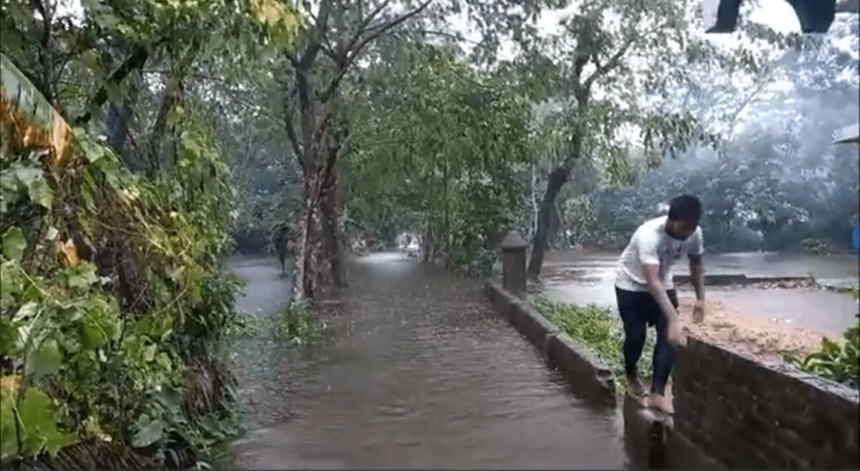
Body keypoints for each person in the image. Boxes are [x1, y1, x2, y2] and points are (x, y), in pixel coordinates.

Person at [614, 194, 706, 413]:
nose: (689, 233)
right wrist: (674, 317)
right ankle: (631, 373)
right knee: (636, 336)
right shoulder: (647, 235)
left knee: (668, 339)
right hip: (631, 285)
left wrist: (701, 298)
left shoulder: (696, 233)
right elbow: (651, 281)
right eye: (684, 227)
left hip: (664, 283)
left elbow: (697, 266)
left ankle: (657, 393)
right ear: (670, 220)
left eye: (693, 227)